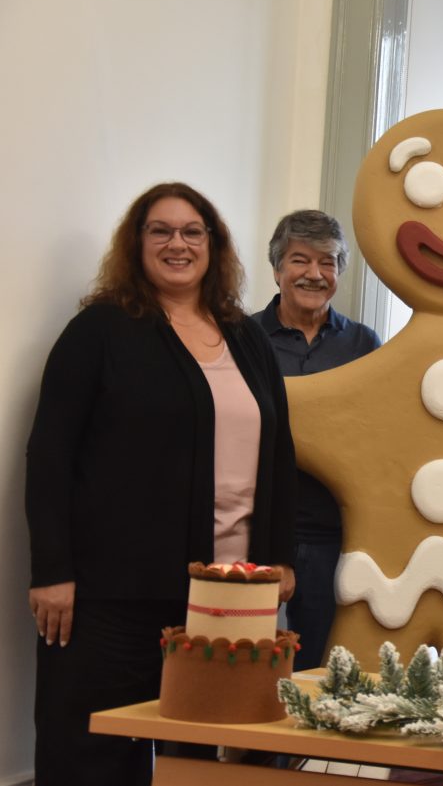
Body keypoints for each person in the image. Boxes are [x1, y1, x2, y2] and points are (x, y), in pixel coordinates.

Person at [26, 182, 296, 786]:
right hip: (110, 594)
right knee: (92, 748)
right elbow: (49, 455)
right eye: (161, 231)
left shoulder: (245, 336)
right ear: (137, 243)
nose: (178, 243)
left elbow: (280, 452)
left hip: (228, 594)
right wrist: (51, 571)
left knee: (204, 754)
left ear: (213, 244)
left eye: (191, 231)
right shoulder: (99, 331)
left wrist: (280, 559)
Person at [253, 209, 381, 672]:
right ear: (277, 269)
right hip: (255, 529)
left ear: (340, 272)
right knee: (245, 662)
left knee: (317, 669)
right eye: (299, 260)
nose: (313, 274)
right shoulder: (242, 338)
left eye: (327, 262)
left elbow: (377, 436)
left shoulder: (364, 345)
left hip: (333, 533)